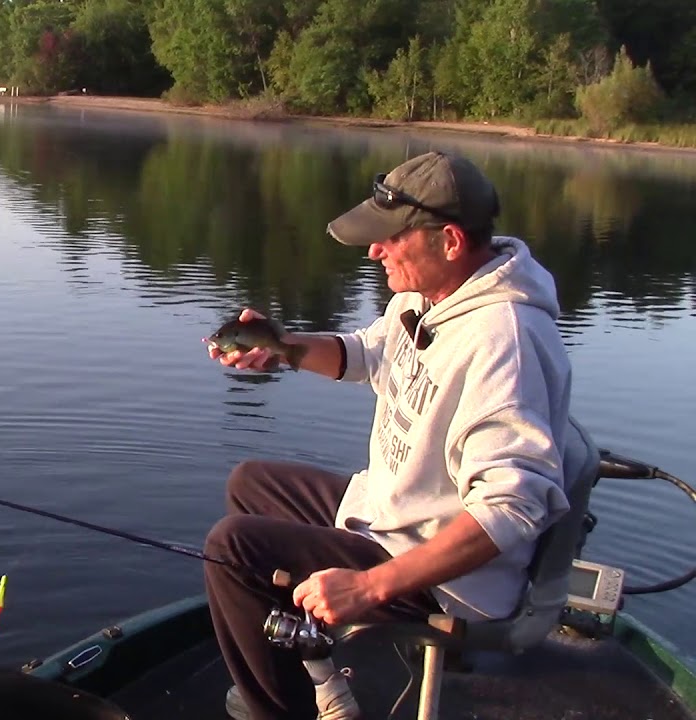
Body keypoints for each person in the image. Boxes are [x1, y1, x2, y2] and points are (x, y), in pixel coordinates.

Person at [203, 151, 573, 720]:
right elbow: (367, 354)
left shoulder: (505, 341)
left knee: (233, 549)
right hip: (393, 519)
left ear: (449, 241)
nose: (374, 251)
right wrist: (279, 346)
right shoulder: (426, 296)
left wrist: (372, 586)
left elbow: (512, 508)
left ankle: (278, 711)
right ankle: (318, 674)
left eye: (389, 239)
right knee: (250, 484)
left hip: (449, 577)